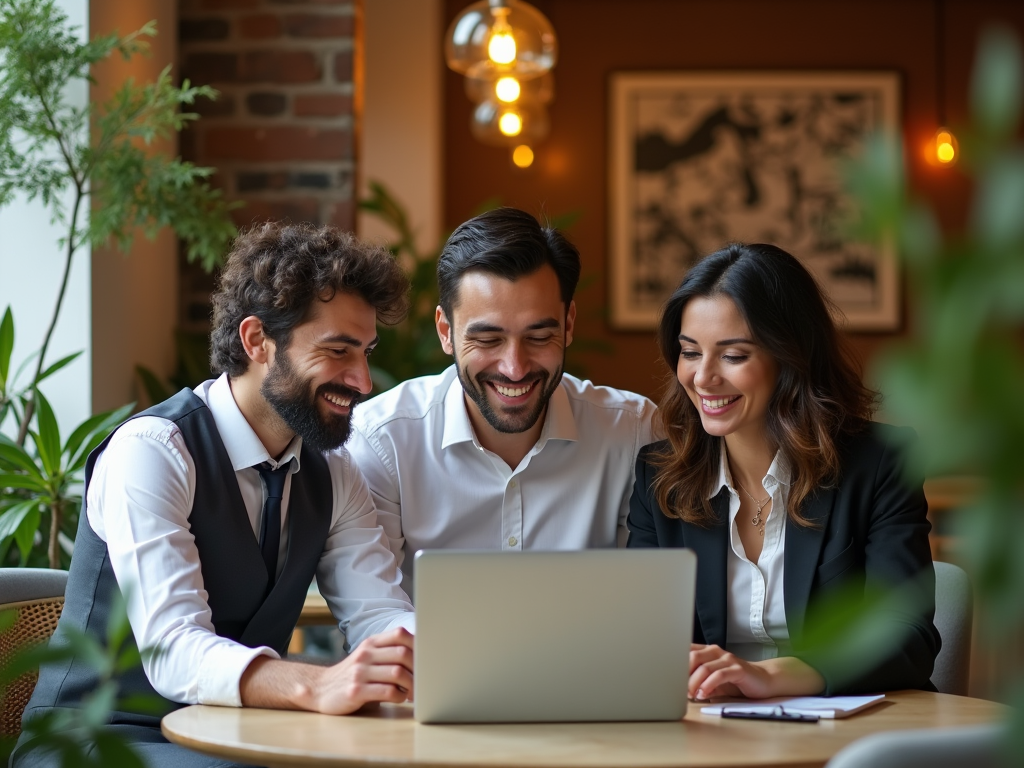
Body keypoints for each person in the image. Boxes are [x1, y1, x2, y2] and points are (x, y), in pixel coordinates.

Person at [15, 223, 417, 768]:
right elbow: (174, 650)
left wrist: (428, 660)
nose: (365, 380)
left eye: (366, 351)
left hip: (237, 736)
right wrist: (317, 685)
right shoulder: (153, 451)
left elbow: (378, 612)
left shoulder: (334, 472)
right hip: (101, 738)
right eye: (338, 350)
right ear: (257, 342)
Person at [627, 243, 940, 699]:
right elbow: (642, 636)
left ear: (791, 358)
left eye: (733, 355)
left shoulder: (879, 464)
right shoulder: (660, 476)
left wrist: (772, 677)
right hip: (710, 731)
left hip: (849, 731)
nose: (703, 377)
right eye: (690, 352)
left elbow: (907, 635)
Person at [348, 208, 656, 591]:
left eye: (539, 337)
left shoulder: (634, 432)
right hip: (431, 654)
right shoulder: (383, 441)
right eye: (488, 339)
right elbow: (376, 607)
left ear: (569, 324)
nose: (514, 368)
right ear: (446, 332)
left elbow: (649, 595)